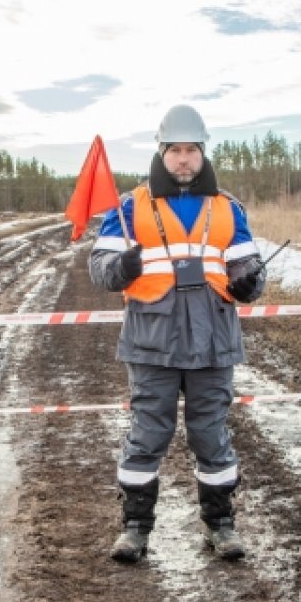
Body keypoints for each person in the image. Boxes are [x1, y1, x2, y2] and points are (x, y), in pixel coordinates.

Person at [89, 104, 266, 563]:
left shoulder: (228, 209)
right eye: (176, 151)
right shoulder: (130, 207)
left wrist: (250, 282)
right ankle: (135, 529)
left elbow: (249, 267)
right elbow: (100, 267)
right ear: (161, 152)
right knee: (148, 434)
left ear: (202, 152)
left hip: (213, 341)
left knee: (212, 434)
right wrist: (119, 268)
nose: (184, 160)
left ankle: (221, 526)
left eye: (192, 150)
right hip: (153, 341)